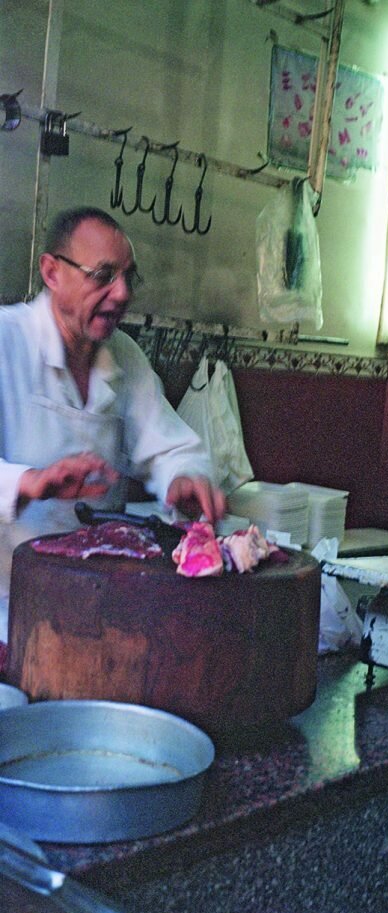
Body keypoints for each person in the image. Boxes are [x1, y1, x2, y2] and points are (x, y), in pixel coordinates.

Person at [0, 206, 226, 641]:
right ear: (52, 272)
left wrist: (184, 477)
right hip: (7, 609)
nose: (121, 294)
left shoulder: (125, 356)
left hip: (97, 609)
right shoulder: (6, 340)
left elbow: (172, 447)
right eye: (103, 275)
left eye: (128, 277)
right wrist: (30, 482)